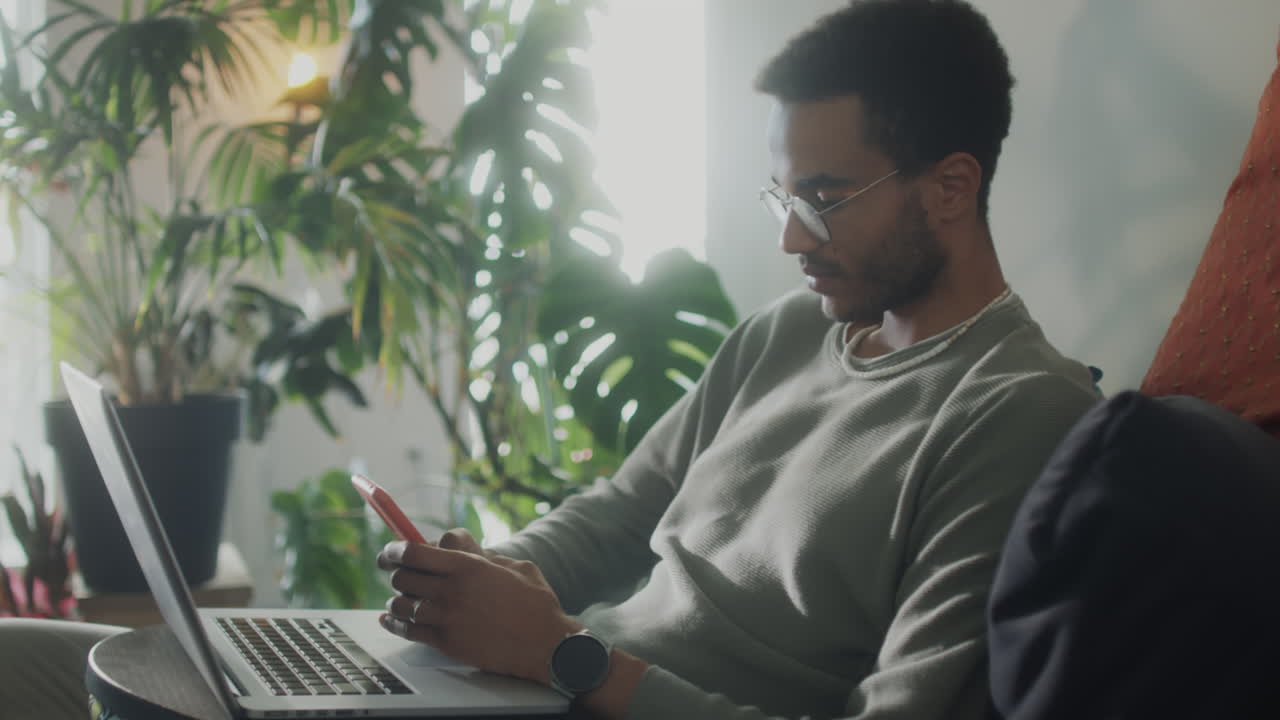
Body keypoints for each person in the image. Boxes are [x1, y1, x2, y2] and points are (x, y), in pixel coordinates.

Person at [374, 1, 1100, 719]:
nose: (791, 239)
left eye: (823, 198)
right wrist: (472, 584)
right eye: (782, 197)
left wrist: (562, 654)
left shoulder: (1020, 411)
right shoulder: (784, 333)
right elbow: (619, 518)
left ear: (950, 188)